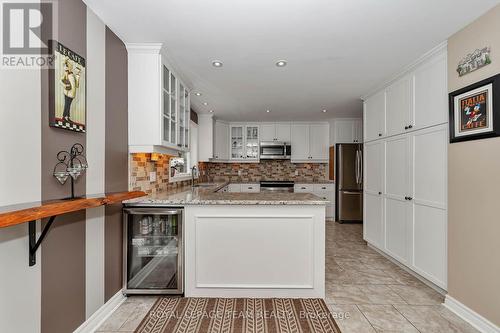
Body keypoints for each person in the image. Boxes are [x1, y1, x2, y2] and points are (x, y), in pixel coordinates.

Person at [60, 58, 81, 123]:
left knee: (68, 105)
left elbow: (77, 85)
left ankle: (66, 117)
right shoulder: (66, 73)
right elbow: (60, 81)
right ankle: (64, 117)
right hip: (67, 92)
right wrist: (65, 86)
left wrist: (78, 76)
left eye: (71, 66)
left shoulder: (73, 75)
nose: (71, 67)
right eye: (70, 66)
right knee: (67, 105)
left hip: (72, 93)